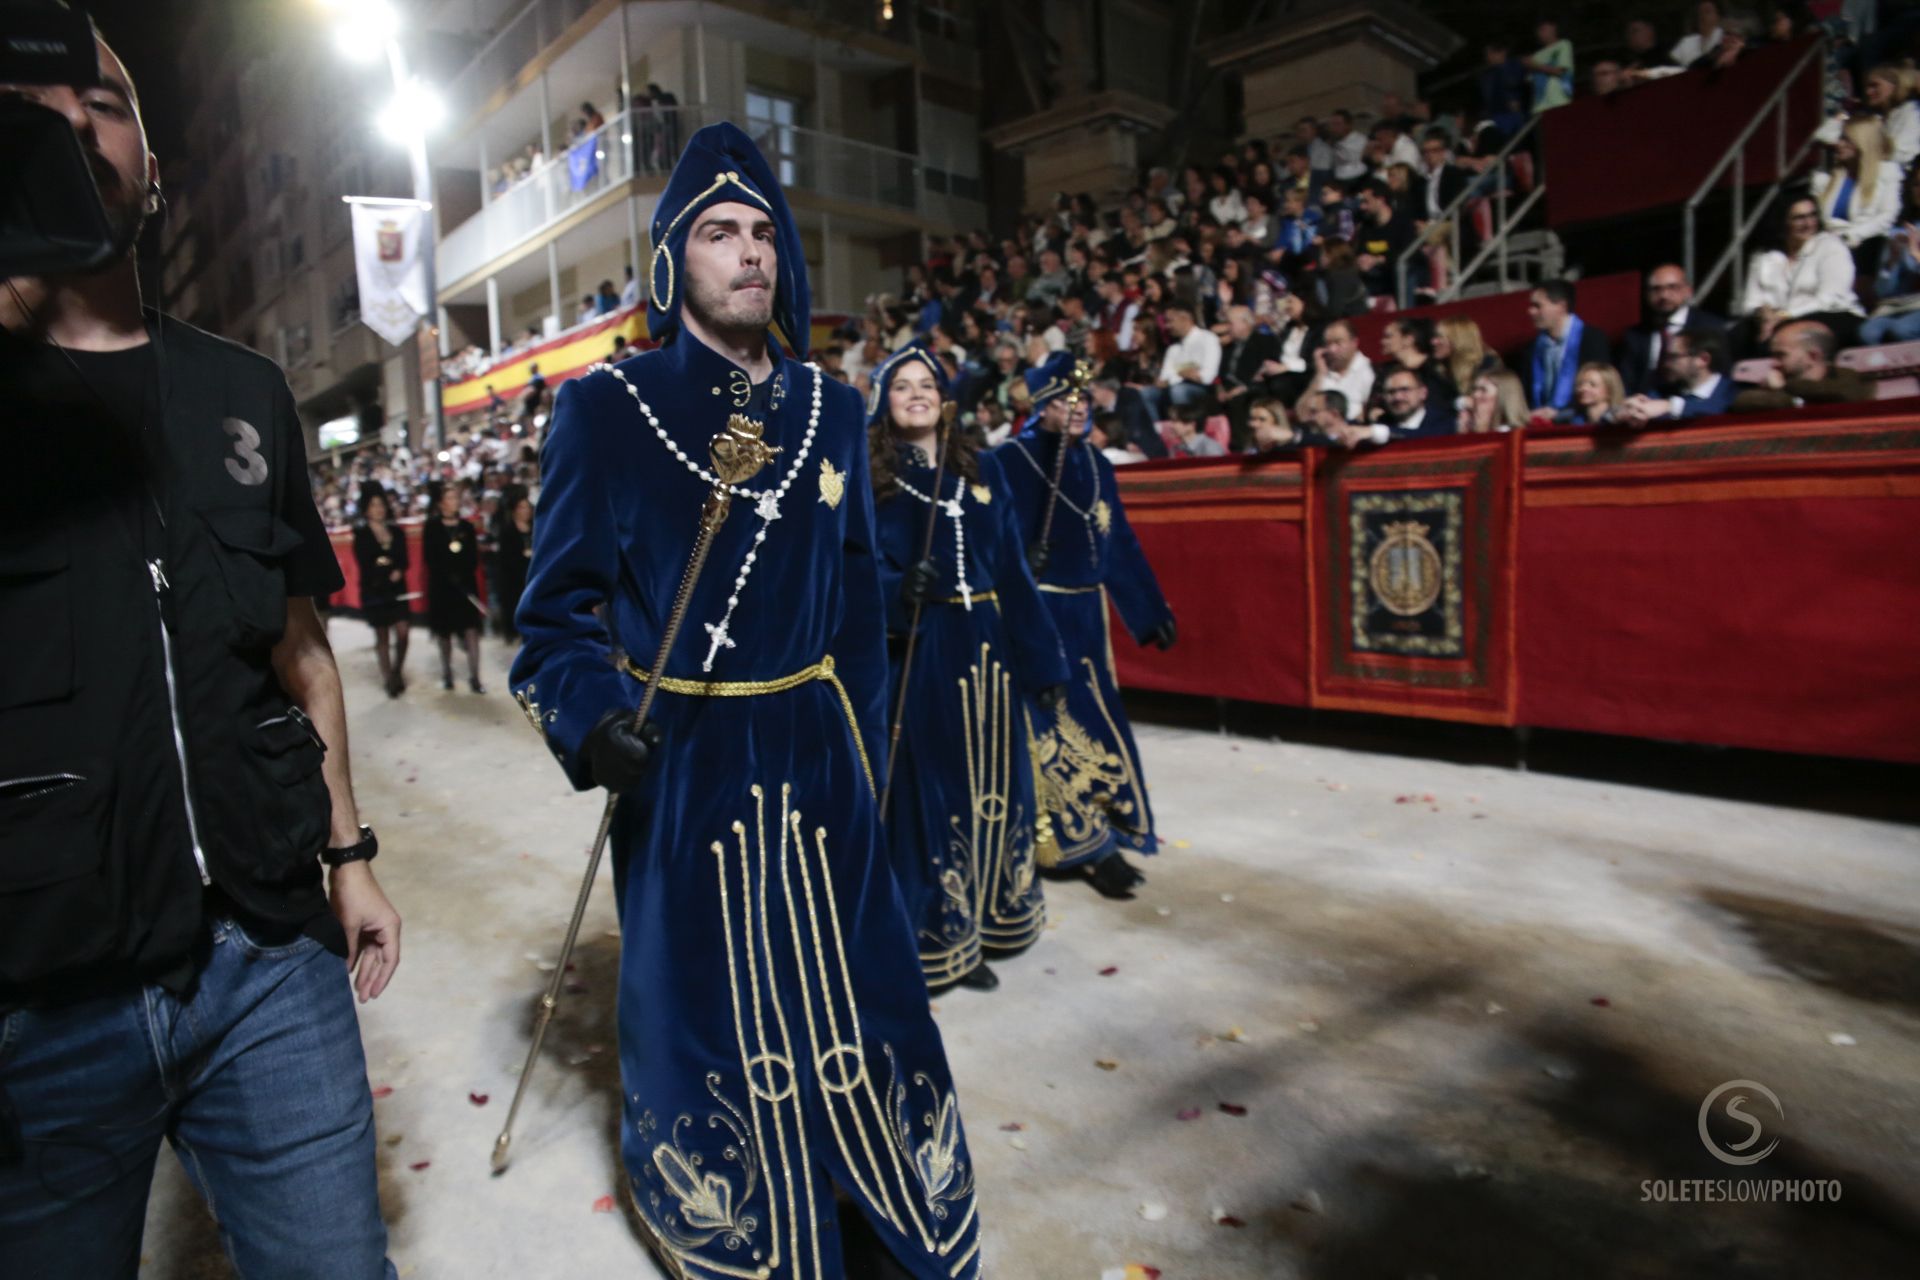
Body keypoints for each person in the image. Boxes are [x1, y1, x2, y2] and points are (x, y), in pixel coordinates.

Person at [509, 123, 982, 1280]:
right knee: (708, 1013)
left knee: (859, 994)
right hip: (685, 757)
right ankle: (753, 1225)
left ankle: (880, 1203)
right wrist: (588, 718)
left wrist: (864, 753)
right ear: (674, 261)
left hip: (821, 753)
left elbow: (863, 596)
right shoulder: (605, 407)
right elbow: (551, 620)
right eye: (720, 232)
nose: (749, 252)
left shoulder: (834, 406)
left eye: (764, 231)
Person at [0, 32, 400, 1277]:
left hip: (268, 960)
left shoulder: (246, 392)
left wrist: (348, 855)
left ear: (153, 163)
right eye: (31, 111)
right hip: (43, 997)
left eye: (104, 104)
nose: (75, 126)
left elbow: (305, 654)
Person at [867, 345, 1069, 993]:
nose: (917, 394)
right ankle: (942, 935)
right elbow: (850, 574)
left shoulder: (984, 473)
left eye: (927, 384)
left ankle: (997, 914)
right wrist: (898, 589)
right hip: (923, 651)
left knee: (999, 782)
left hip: (987, 646)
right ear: (883, 401)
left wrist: (1043, 659)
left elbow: (1011, 571)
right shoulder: (872, 482)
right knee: (933, 793)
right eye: (903, 386)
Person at [995, 352, 1175, 901]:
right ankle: (1087, 848)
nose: (1076, 407)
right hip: (1040, 613)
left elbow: (1118, 542)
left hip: (1088, 614)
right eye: (1061, 398)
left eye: (1083, 395)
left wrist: (1149, 610)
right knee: (1050, 727)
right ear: (1038, 405)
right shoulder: (1010, 460)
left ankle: (1106, 823)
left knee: (1097, 719)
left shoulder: (1098, 465)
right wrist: (1024, 558)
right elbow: (993, 544)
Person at [1738, 196, 1864, 351]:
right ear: (1783, 222)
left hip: (1831, 314)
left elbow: (1830, 299)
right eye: (1799, 218)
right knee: (1736, 335)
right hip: (1776, 320)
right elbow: (1750, 303)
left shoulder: (1830, 246)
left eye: (1812, 215)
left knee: (1780, 337)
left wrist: (1784, 316)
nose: (1808, 223)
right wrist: (1764, 315)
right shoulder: (1764, 256)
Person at [1618, 264, 1727, 395]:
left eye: (1672, 287)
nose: (1664, 295)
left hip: (1692, 405)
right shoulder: (1635, 335)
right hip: (1643, 406)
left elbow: (1722, 377)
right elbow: (1626, 382)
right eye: (1656, 289)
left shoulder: (1710, 326)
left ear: (1688, 291)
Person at [422, 483, 485, 692]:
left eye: (456, 498)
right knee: (444, 632)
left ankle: (475, 677)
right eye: (450, 498)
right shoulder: (432, 527)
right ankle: (447, 673)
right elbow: (431, 557)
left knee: (471, 630)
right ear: (441, 503)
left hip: (466, 585)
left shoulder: (466, 527)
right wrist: (448, 575)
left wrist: (461, 575)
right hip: (442, 587)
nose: (455, 502)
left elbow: (472, 556)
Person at [1731, 320, 1873, 409]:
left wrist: (1783, 388)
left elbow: (1845, 395)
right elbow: (1742, 401)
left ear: (1813, 356)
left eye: (1781, 355)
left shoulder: (1850, 378)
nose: (1773, 363)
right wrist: (1795, 401)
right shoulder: (1774, 382)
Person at [353, 488, 413, 696]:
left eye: (381, 505)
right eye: (373, 505)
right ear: (366, 510)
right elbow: (364, 563)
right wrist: (384, 574)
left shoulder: (397, 532)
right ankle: (389, 679)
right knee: (383, 636)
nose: (378, 509)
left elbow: (404, 559)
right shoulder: (361, 534)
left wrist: (398, 570)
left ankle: (396, 672)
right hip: (375, 590)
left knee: (404, 634)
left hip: (397, 590)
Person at [1622, 324, 1737, 423]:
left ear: (1703, 359)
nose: (1666, 364)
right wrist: (1630, 409)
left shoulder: (1732, 392)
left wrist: (1670, 406)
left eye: (1673, 357)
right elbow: (1645, 407)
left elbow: (1718, 409)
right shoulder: (1663, 392)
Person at [1527, 279, 1613, 411]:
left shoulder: (1592, 339)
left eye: (1538, 306)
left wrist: (1560, 414)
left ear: (1561, 307)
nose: (1531, 311)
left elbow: (1600, 390)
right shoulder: (1532, 348)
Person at [1217, 304, 1279, 448]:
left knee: (1239, 401)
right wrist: (1219, 389)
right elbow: (1220, 373)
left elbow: (1266, 369)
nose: (1228, 328)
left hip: (1252, 388)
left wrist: (1243, 388)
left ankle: (1240, 447)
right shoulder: (1228, 347)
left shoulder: (1265, 341)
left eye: (1230, 323)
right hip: (1227, 389)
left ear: (1245, 323)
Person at [1145, 301, 1222, 418]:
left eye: (1170, 321)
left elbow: (1207, 376)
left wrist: (1178, 375)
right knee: (1148, 393)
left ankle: (1183, 426)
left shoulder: (1208, 339)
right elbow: (1163, 379)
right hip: (1177, 388)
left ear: (1185, 319)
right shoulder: (1173, 349)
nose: (1167, 326)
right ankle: (1157, 430)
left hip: (1204, 391)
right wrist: (1184, 373)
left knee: (1179, 391)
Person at [491, 489, 535, 642]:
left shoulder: (537, 528)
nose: (526, 511)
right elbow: (505, 558)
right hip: (514, 580)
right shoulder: (507, 530)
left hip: (533, 576)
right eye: (522, 507)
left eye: (527, 507)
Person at [1307, 317, 1375, 414]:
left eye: (1338, 343)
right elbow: (1303, 413)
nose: (1332, 349)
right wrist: (1320, 374)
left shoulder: (1368, 372)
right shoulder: (1322, 371)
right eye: (1328, 344)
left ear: (1354, 343)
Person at [1861, 65, 1920, 167]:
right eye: (1867, 87)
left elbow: (1903, 154)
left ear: (1894, 86)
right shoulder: (1881, 116)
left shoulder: (1910, 111)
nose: (1868, 92)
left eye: (1875, 85)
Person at [1525, 19, 1575, 114]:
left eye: (1544, 28)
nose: (1541, 33)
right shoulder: (1535, 56)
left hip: (1560, 102)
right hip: (1539, 107)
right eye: (1539, 30)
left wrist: (1534, 66)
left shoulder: (1563, 44)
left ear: (1554, 28)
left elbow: (1560, 72)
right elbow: (1530, 81)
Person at [1560, 362, 1629, 425]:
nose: (1583, 388)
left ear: (1609, 391)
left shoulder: (1622, 419)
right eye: (1580, 384)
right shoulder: (1572, 418)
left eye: (1592, 385)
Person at [1466, 368, 1533, 432]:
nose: (1475, 395)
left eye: (1483, 390)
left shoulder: (1515, 437)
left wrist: (1481, 431)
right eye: (1474, 389)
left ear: (1504, 397)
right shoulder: (1470, 426)